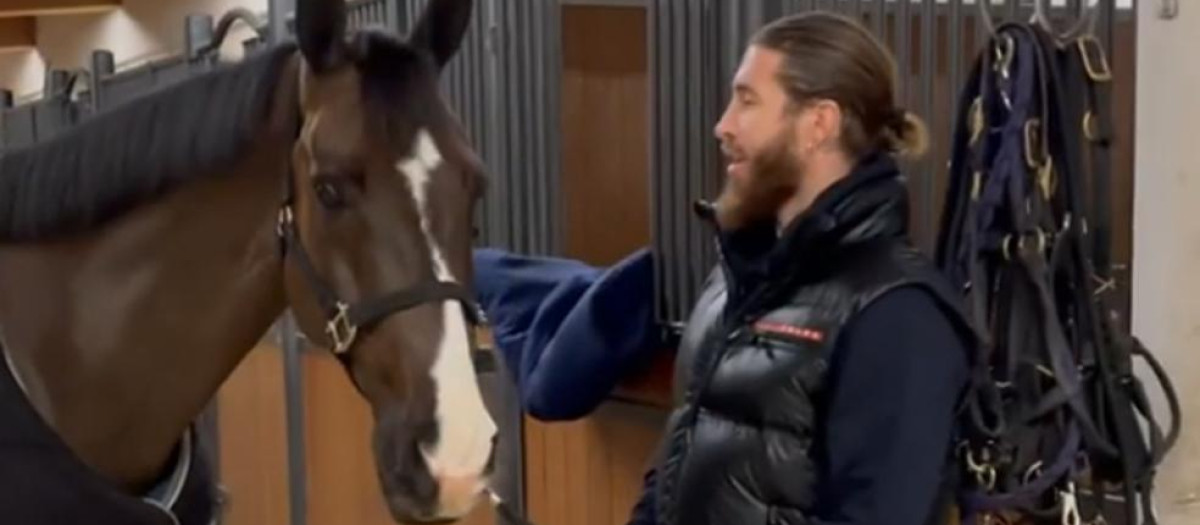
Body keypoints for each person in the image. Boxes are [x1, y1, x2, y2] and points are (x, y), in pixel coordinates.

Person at [626, 11, 975, 525]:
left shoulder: (898, 312)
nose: (723, 124)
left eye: (747, 100)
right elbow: (676, 463)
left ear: (819, 124)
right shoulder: (731, 280)